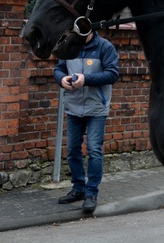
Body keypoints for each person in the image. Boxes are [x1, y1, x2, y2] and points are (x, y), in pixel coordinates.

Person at [54, 30, 119, 214]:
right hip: (74, 107)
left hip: (96, 107)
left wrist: (86, 79)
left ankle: (91, 194)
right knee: (73, 149)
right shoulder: (69, 45)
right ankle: (78, 189)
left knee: (94, 150)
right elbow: (59, 68)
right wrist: (61, 79)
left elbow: (113, 73)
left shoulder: (104, 47)